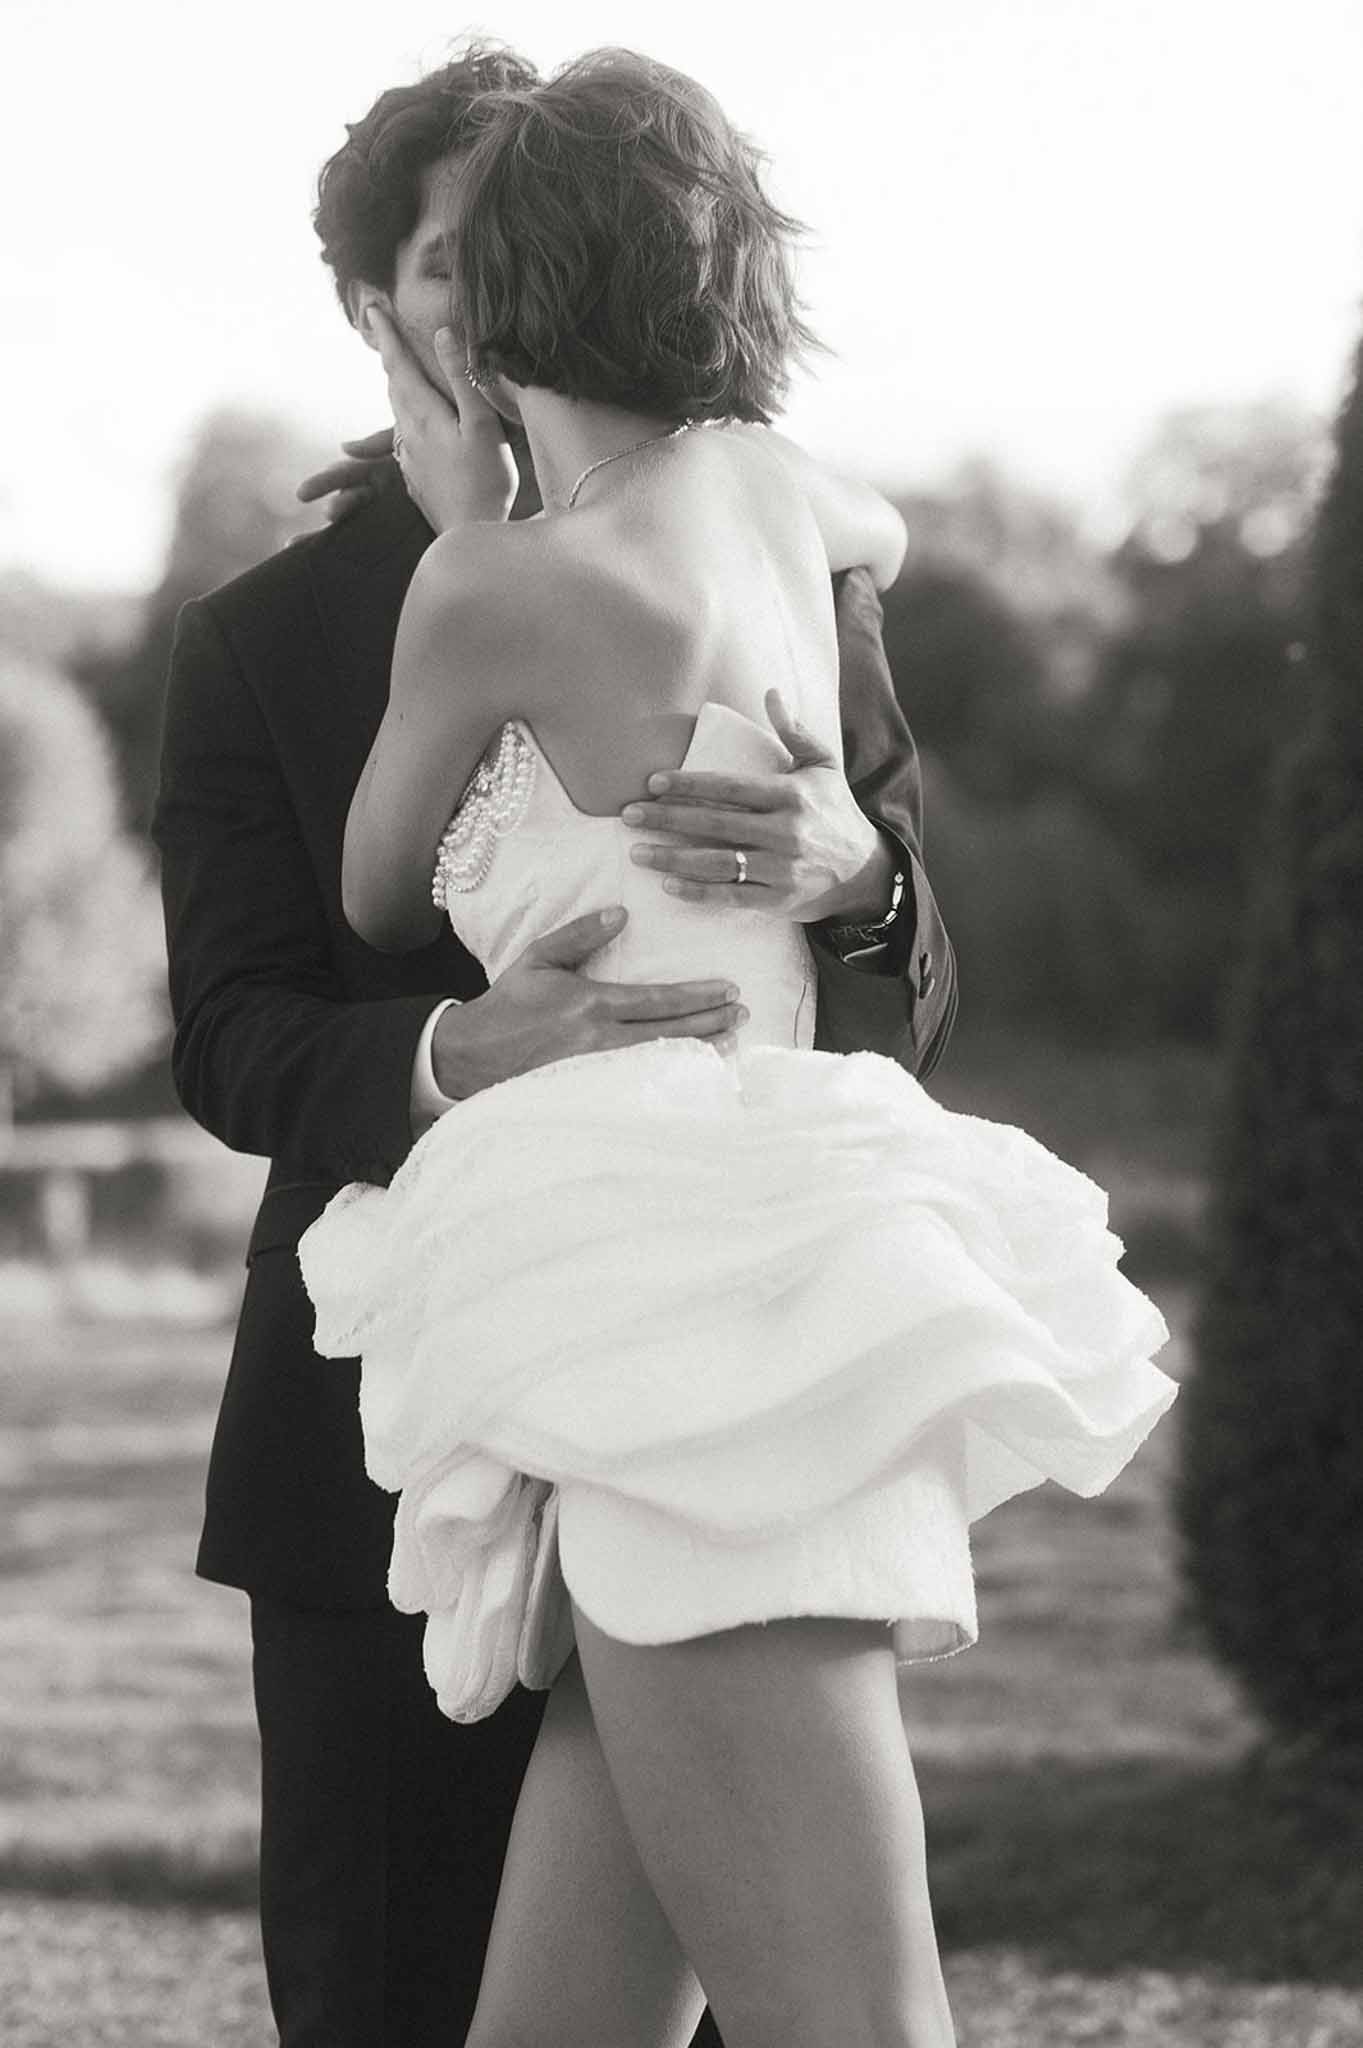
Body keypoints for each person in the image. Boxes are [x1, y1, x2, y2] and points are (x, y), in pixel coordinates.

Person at [295, 44, 1178, 2048]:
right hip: (785, 1226)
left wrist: (468, 499)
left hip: (659, 1292)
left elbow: (364, 891)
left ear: (495, 304)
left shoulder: (498, 580)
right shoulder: (793, 504)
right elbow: (853, 505)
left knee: (852, 2021)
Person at [150, 42, 960, 2048]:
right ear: (383, 303)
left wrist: (857, 863)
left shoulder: (723, 529)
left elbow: (914, 967)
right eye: (436, 259)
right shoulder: (264, 636)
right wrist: (448, 1050)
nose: (471, 299)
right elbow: (238, 1027)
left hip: (687, 1336)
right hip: (384, 1446)